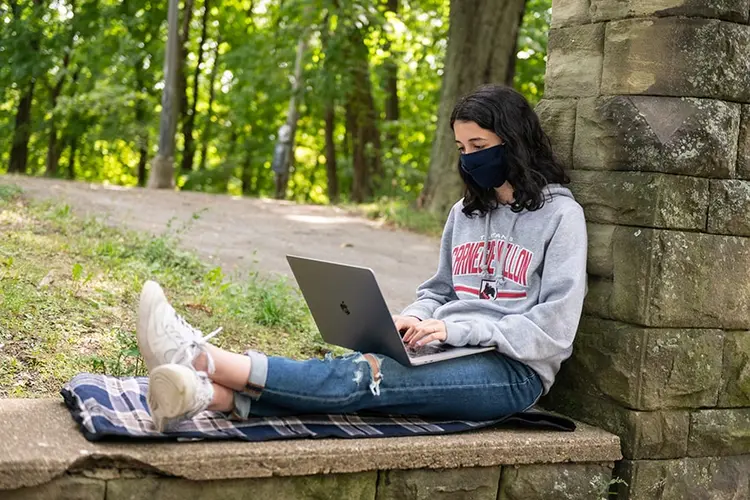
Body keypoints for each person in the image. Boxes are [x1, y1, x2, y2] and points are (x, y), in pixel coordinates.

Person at [137, 84, 588, 432]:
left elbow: (553, 330)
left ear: (514, 142)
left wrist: (456, 327)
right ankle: (203, 396)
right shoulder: (465, 213)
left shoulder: (561, 216)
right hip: (446, 346)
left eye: (479, 145)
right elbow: (439, 291)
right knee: (365, 375)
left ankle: (202, 358)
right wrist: (415, 318)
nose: (468, 159)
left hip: (512, 370)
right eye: (461, 149)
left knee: (367, 376)